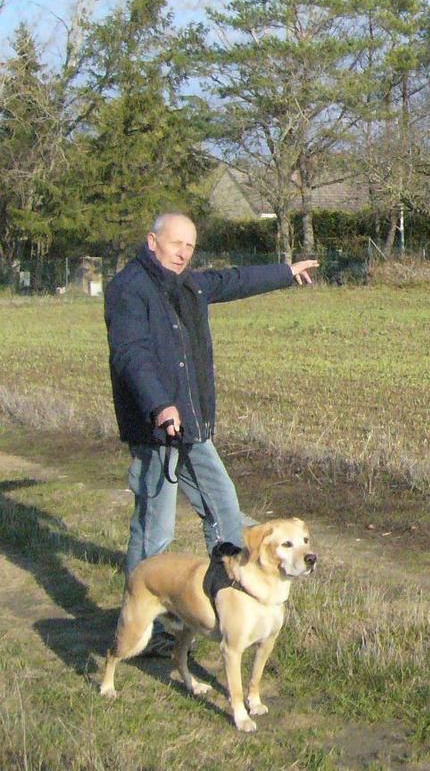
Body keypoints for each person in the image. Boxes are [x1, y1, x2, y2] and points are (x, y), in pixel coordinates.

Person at [104, 213, 317, 654]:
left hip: (193, 426)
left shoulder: (189, 284)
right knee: (154, 531)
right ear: (151, 241)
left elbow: (230, 280)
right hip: (156, 431)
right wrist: (159, 404)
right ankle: (143, 625)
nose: (183, 252)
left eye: (190, 246)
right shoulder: (129, 289)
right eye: (175, 243)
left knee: (224, 508)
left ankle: (230, 605)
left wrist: (285, 272)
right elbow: (131, 355)